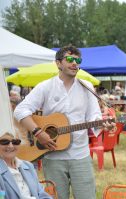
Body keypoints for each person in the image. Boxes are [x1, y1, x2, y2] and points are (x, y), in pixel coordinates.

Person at [14, 45, 103, 199]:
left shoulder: (86, 87)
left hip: (80, 155)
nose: (75, 63)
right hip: (53, 156)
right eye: (69, 59)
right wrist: (38, 132)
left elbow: (94, 117)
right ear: (58, 63)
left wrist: (103, 123)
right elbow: (20, 110)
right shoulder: (45, 87)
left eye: (78, 60)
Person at [0, 132, 51, 199]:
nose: (11, 146)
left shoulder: (28, 166)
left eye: (15, 142)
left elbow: (40, 193)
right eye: (4, 142)